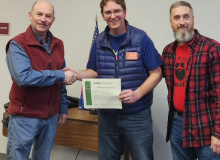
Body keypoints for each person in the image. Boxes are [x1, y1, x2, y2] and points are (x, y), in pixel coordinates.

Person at [65, 0, 163, 159]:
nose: (113, 16)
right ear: (103, 16)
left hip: (137, 115)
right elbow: (94, 71)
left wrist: (137, 94)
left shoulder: (140, 38)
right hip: (107, 116)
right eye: (108, 12)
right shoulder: (99, 41)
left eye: (117, 11)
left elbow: (157, 73)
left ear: (125, 12)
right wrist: (77, 74)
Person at [161, 1, 220, 160]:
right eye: (177, 18)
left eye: (186, 17)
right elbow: (152, 72)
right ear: (171, 23)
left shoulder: (213, 49)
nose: (182, 22)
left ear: (193, 20)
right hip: (177, 124)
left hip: (206, 127)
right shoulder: (168, 52)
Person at [5, 1, 76, 160]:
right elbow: (24, 78)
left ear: (53, 20)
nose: (43, 19)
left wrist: (63, 107)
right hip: (25, 117)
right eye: (39, 14)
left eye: (48, 16)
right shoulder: (17, 44)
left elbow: (61, 79)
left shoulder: (58, 44)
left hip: (50, 117)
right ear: (30, 16)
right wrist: (60, 75)